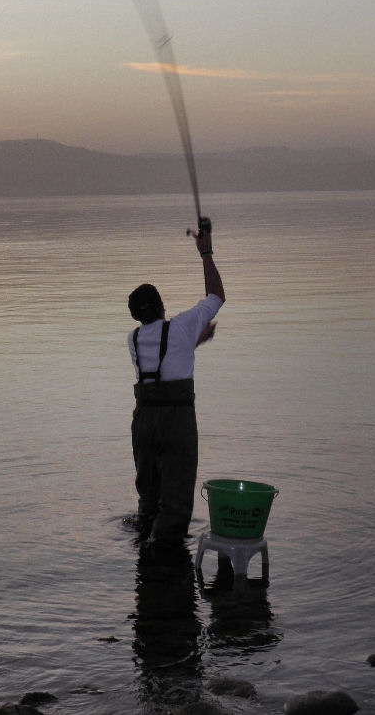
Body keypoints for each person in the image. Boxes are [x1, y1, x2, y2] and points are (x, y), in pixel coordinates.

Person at [127, 221, 225, 552]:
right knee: (177, 504)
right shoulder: (181, 326)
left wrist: (194, 341)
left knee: (149, 500)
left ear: (136, 317)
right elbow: (216, 296)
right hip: (175, 421)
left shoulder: (134, 339)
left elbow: (162, 362)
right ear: (162, 306)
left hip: (144, 421)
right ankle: (163, 559)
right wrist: (205, 252)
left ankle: (146, 561)